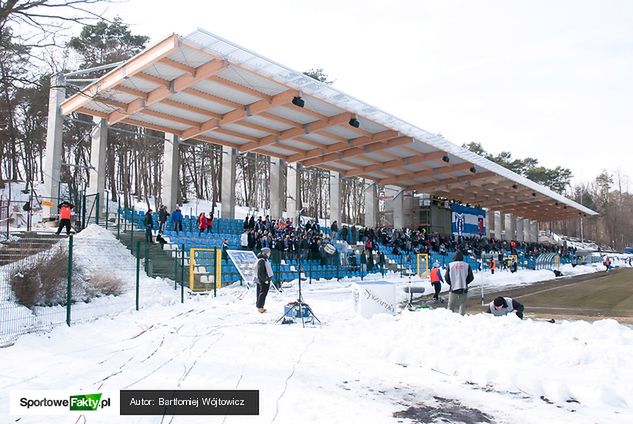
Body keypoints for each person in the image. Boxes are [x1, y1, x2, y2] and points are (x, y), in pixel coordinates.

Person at [444, 250, 474, 316]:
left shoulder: (450, 265)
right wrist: (465, 282)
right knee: (462, 306)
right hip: (463, 289)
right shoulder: (467, 265)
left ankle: (449, 319)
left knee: (451, 306)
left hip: (453, 289)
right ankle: (461, 319)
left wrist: (451, 283)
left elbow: (446, 277)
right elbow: (471, 277)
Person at [255, 247, 273, 313]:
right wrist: (265, 280)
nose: (269, 254)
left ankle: (261, 306)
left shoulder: (264, 260)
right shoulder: (261, 260)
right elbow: (260, 272)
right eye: (268, 252)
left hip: (264, 280)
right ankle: (260, 307)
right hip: (263, 280)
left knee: (262, 293)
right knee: (262, 293)